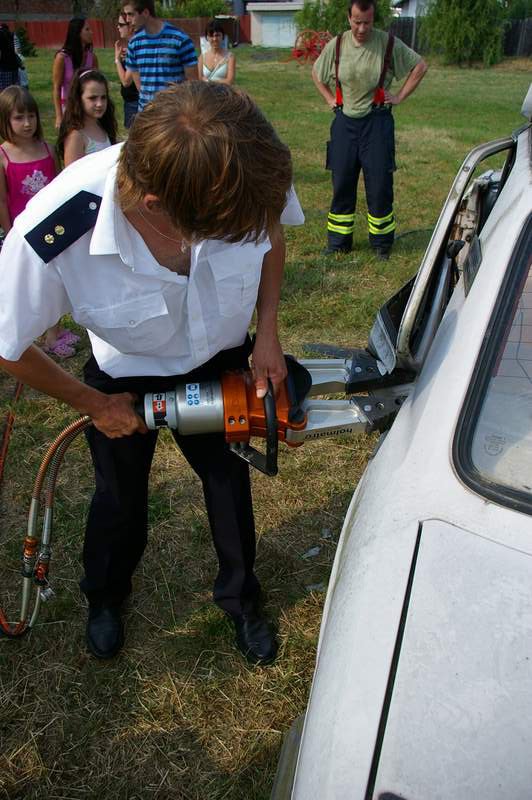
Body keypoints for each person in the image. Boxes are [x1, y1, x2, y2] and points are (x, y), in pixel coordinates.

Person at [0, 82, 304, 664]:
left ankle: (242, 602)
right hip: (123, 377)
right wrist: (94, 405)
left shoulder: (240, 164)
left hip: (219, 356)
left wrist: (267, 332)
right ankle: (105, 598)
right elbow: (6, 342)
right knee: (119, 499)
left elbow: (270, 234)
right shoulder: (62, 225)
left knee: (228, 487)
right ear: (157, 206)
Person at [312, 0, 427, 259]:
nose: (362, 28)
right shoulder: (338, 45)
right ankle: (338, 243)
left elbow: (420, 66)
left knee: (379, 184)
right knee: (342, 181)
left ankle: (381, 244)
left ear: (373, 19)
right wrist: (330, 99)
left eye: (367, 22)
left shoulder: (386, 44)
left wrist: (398, 96)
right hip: (345, 124)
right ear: (348, 18)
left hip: (377, 123)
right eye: (357, 21)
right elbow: (316, 74)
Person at [0, 86, 77, 357]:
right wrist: (11, 233)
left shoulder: (46, 148)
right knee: (28, 287)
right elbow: (2, 201)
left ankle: (53, 332)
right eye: (19, 117)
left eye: (31, 116)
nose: (27, 123)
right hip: (23, 235)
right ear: (5, 120)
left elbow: (58, 187)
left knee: (54, 283)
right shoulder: (3, 156)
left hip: (51, 231)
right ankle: (27, 333)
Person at [124, 0, 197, 112]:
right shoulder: (134, 43)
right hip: (146, 114)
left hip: (173, 115)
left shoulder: (180, 39)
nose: (127, 20)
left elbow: (193, 84)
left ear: (145, 13)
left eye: (130, 14)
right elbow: (141, 87)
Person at [57, 69, 117, 167]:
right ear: (78, 99)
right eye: (92, 98)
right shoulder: (76, 136)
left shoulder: (102, 125)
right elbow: (71, 176)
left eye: (103, 97)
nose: (100, 104)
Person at [52, 18, 99, 129]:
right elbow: (56, 87)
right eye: (87, 29)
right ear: (77, 33)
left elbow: (98, 84)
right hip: (68, 108)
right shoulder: (62, 58)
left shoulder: (92, 58)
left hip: (88, 107)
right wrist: (59, 116)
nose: (91, 32)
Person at [114, 13, 139, 129]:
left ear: (131, 27)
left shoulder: (136, 46)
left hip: (135, 103)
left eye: (121, 24)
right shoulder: (133, 46)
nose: (118, 27)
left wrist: (117, 60)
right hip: (132, 101)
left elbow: (126, 81)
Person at [198, 20, 235, 85]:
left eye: (217, 35)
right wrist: (220, 81)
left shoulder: (230, 57)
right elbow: (199, 78)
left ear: (222, 36)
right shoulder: (202, 57)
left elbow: (229, 81)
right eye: (211, 36)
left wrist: (209, 82)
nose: (214, 39)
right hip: (205, 93)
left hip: (224, 93)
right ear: (207, 37)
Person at [0, 27, 21, 91]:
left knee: (4, 92)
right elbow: (18, 51)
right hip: (14, 67)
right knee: (15, 91)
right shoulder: (12, 34)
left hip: (3, 69)